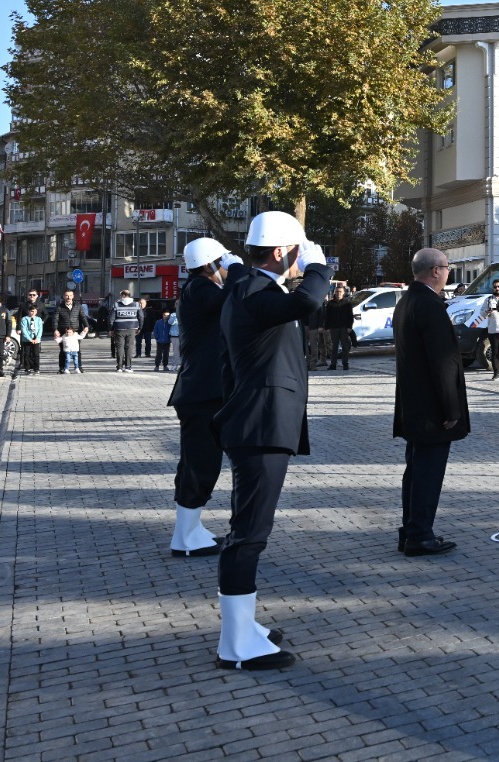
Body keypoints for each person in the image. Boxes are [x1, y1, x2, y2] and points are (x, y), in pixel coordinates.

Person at [212, 211, 330, 672]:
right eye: (297, 253)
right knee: (248, 535)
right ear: (281, 251)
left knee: (248, 530)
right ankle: (236, 644)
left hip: (257, 423)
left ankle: (243, 627)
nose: (301, 261)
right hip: (260, 426)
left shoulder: (253, 288)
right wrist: (319, 266)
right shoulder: (255, 291)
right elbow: (310, 301)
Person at [392, 248, 469, 557]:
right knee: (427, 473)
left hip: (413, 404)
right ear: (435, 271)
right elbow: (443, 362)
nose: (449, 273)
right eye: (447, 267)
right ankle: (420, 535)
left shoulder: (406, 301)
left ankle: (411, 530)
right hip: (431, 409)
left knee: (415, 470)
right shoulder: (430, 305)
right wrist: (451, 409)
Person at [167, 237, 238, 558]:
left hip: (199, 391)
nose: (225, 269)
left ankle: (190, 529)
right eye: (222, 263)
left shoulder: (196, 289)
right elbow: (233, 300)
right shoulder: (201, 289)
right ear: (210, 264)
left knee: (196, 462)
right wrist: (237, 271)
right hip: (202, 392)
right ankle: (185, 537)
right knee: (201, 463)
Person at [53, 290, 90, 373]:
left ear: (73, 296)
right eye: (67, 295)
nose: (68, 297)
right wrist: (55, 329)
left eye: (70, 295)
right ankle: (62, 368)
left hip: (75, 331)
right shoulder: (59, 307)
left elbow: (83, 317)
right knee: (63, 350)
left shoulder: (78, 306)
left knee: (77, 350)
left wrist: (86, 326)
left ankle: (79, 367)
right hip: (63, 331)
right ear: (64, 296)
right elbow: (55, 319)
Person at [322, 284, 354, 371]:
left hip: (344, 328)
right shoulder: (330, 303)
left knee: (344, 347)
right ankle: (333, 364)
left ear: (343, 293)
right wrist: (327, 327)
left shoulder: (347, 303)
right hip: (334, 328)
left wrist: (349, 327)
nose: (338, 293)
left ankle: (345, 364)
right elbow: (327, 316)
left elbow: (350, 316)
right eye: (337, 291)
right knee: (334, 347)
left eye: (340, 292)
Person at [109, 289, 142, 372]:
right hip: (132, 328)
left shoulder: (116, 304)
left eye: (121, 295)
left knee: (119, 348)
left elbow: (111, 318)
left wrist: (111, 329)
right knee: (129, 347)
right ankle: (128, 366)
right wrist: (139, 327)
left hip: (119, 328)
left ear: (123, 296)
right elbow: (141, 317)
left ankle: (119, 367)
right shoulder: (137, 304)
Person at [483, 280, 499, 379]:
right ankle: (496, 373)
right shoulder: (489, 299)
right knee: (495, 353)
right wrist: (486, 311)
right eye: (495, 287)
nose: (497, 288)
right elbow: (482, 313)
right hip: (493, 331)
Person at [302, 291, 326, 371]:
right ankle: (306, 363)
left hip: (313, 326)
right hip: (304, 325)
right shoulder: (303, 299)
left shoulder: (317, 300)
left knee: (314, 346)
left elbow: (321, 314)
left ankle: (313, 364)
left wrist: (320, 326)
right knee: (305, 346)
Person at [18, 304, 43, 376]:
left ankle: (36, 369)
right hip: (27, 339)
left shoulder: (38, 319)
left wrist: (37, 338)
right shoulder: (24, 319)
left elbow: (40, 330)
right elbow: (24, 330)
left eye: (35, 311)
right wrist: (29, 339)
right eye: (32, 311)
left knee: (36, 354)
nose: (33, 313)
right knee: (27, 354)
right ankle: (27, 369)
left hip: (36, 339)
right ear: (28, 311)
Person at [152, 304, 173, 371]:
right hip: (159, 341)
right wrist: (157, 337)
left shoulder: (170, 323)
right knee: (158, 354)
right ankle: (157, 365)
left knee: (166, 354)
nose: (166, 317)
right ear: (162, 315)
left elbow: (171, 331)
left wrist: (169, 338)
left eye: (168, 315)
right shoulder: (158, 322)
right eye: (165, 315)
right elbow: (155, 330)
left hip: (167, 341)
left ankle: (165, 365)